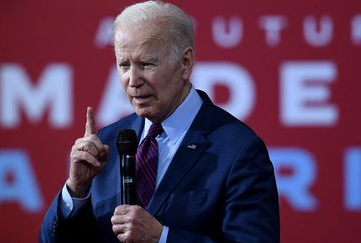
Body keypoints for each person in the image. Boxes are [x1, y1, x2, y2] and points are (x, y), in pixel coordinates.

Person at [40, 1, 280, 242]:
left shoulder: (238, 150)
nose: (133, 80)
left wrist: (162, 238)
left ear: (185, 63)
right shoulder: (107, 143)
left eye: (146, 64)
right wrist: (76, 190)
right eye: (124, 65)